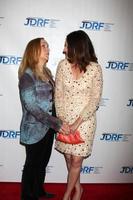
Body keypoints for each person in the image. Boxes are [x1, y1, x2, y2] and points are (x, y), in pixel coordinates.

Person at [18, 37, 69, 200]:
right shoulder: (27, 76)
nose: (48, 48)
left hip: (48, 128)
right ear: (34, 50)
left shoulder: (47, 73)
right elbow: (31, 107)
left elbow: (51, 100)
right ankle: (27, 195)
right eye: (43, 46)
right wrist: (56, 123)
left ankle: (38, 190)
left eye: (48, 45)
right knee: (31, 164)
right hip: (33, 129)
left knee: (42, 163)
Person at [54, 30, 103, 200]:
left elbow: (95, 99)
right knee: (69, 158)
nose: (64, 49)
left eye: (67, 45)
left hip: (85, 121)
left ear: (77, 46)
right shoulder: (62, 65)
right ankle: (79, 188)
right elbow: (58, 94)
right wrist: (62, 120)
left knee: (76, 161)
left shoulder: (95, 69)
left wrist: (77, 122)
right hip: (65, 120)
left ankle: (68, 195)